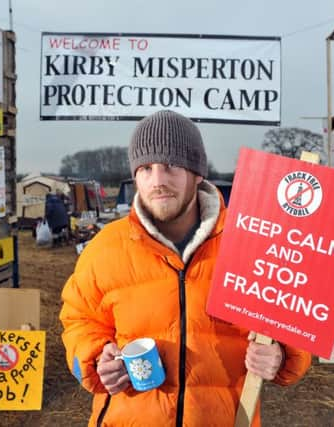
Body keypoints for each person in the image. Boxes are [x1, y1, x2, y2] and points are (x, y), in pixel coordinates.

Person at [60, 110, 311, 426]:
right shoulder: (106, 248)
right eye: (146, 168)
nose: (158, 181)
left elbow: (293, 321)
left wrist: (282, 356)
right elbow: (78, 319)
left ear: (197, 173)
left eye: (171, 166)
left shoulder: (250, 243)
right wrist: (95, 358)